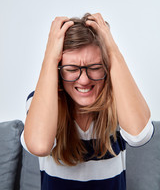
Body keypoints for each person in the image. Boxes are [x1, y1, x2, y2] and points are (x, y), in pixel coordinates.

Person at [21, 13, 153, 190]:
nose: (84, 80)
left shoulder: (118, 101)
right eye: (71, 69)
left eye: (95, 67)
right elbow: (39, 146)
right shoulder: (40, 101)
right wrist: (50, 58)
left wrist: (112, 49)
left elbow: (139, 135)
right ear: (58, 72)